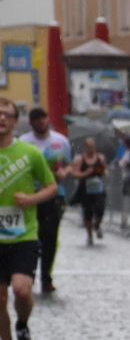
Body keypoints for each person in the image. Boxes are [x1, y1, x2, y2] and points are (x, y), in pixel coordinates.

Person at [0, 98, 60, 340]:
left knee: (22, 291)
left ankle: (22, 324)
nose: (1, 119)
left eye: (7, 115)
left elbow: (52, 187)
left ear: (14, 121)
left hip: (23, 234)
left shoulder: (30, 153)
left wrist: (32, 199)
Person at [19, 108, 69, 295]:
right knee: (31, 236)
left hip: (54, 195)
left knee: (50, 237)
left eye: (43, 119)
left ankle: (46, 276)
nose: (40, 123)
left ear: (48, 120)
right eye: (36, 120)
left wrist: (65, 172)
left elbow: (68, 164)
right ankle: (27, 274)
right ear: (31, 123)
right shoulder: (24, 142)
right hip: (30, 196)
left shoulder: (60, 142)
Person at [67, 138, 108, 245]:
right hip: (85, 190)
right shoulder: (80, 159)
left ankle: (97, 225)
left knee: (100, 209)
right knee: (87, 213)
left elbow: (106, 170)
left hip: (98, 189)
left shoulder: (100, 157)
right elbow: (74, 173)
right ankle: (89, 235)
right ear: (85, 147)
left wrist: (104, 172)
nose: (91, 149)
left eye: (93, 147)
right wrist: (85, 173)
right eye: (89, 147)